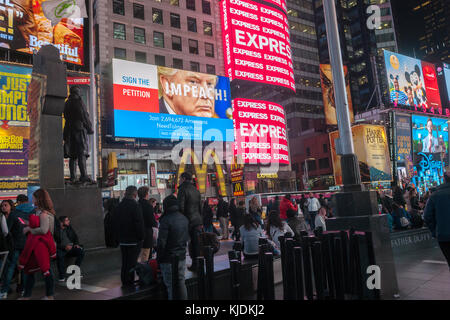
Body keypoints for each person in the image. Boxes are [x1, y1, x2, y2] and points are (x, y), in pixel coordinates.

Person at [19, 189, 56, 300]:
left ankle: (49, 296)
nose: (32, 199)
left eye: (34, 197)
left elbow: (44, 230)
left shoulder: (44, 213)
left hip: (42, 246)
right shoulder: (39, 212)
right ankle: (28, 296)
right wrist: (28, 224)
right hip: (37, 245)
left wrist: (29, 229)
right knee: (31, 270)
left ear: (38, 198)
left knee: (45, 270)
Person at [157, 194, 189, 300]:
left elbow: (161, 242)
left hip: (168, 258)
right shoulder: (184, 218)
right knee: (181, 282)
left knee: (171, 286)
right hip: (181, 256)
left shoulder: (165, 220)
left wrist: (159, 258)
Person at [114, 186, 145, 287]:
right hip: (134, 240)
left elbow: (115, 223)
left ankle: (124, 281)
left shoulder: (119, 206)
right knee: (132, 262)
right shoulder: (135, 206)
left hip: (122, 239)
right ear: (135, 195)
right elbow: (138, 223)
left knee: (125, 261)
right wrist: (141, 237)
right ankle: (129, 282)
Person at [63, 86, 94, 183]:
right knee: (82, 153)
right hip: (79, 130)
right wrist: (89, 128)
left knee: (73, 155)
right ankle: (84, 176)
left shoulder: (67, 103)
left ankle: (73, 177)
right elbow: (84, 116)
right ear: (77, 93)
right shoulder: (78, 102)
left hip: (69, 130)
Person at [424, 170, 450, 269]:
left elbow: (427, 216)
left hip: (444, 236)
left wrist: (435, 231)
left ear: (444, 179)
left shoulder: (435, 195)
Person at [177, 172, 203, 271]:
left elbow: (181, 207)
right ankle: (197, 263)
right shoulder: (196, 190)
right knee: (196, 243)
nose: (179, 180)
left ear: (183, 178)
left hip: (187, 220)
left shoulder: (182, 189)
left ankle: (182, 265)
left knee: (183, 243)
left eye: (180, 178)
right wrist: (201, 221)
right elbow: (200, 207)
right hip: (197, 220)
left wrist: (181, 220)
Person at [54, 216, 85, 282]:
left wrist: (76, 244)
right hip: (62, 249)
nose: (68, 221)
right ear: (61, 222)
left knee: (81, 252)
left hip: (71, 247)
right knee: (59, 255)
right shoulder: (56, 230)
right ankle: (61, 276)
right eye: (67, 220)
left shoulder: (69, 227)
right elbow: (54, 243)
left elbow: (75, 236)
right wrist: (64, 247)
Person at [137, 187, 158, 263]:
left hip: (137, 234)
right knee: (146, 255)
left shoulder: (136, 204)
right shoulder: (148, 206)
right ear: (146, 194)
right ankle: (145, 271)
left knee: (139, 255)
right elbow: (152, 221)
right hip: (147, 233)